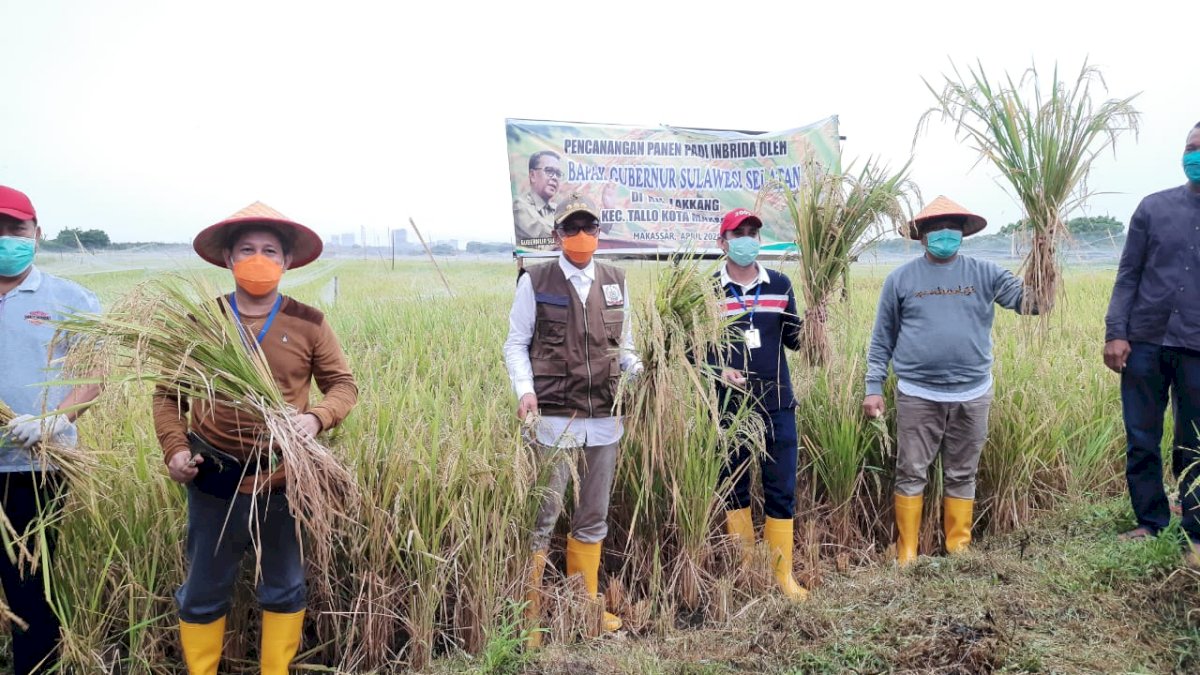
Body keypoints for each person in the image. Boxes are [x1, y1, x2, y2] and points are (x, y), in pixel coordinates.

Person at [153, 201, 358, 675]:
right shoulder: (203, 322)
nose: (258, 259)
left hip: (284, 478)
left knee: (285, 587)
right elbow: (168, 394)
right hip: (213, 476)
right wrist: (176, 449)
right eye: (247, 249)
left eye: (270, 250)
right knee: (204, 589)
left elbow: (343, 386)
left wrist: (317, 419)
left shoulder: (309, 322)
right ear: (228, 258)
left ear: (287, 261)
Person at [863, 196, 1038, 565]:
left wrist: (1045, 265)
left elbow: (1031, 304)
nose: (945, 234)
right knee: (910, 471)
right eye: (936, 228)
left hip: (972, 392)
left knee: (962, 472)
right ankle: (907, 551)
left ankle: (959, 548)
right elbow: (882, 338)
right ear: (922, 235)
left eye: (952, 227)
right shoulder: (901, 279)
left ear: (962, 233)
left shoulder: (986, 273)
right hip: (917, 393)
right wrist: (874, 387)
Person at [503, 193, 641, 644]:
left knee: (593, 515)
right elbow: (516, 343)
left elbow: (625, 348)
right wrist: (525, 391)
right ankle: (529, 615)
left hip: (604, 418)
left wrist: (641, 371)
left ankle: (585, 608)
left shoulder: (616, 280)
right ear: (557, 234)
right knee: (543, 515)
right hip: (553, 418)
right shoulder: (536, 280)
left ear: (599, 233)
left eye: (589, 227)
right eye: (572, 228)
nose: (581, 235)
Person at [0, 184, 101, 674]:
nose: (5, 238)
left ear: (36, 233)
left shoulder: (70, 299)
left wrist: (53, 420)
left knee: (29, 587)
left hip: (36, 467)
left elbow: (96, 374)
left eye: (14, 228)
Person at [1104, 121, 1200, 561]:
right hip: (1145, 341)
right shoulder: (1153, 208)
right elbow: (1128, 274)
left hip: (1196, 345)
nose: (1194, 155)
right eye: (1191, 147)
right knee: (1141, 437)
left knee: (1194, 441)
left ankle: (1194, 530)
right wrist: (1116, 332)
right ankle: (1150, 521)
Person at [712, 208, 808, 601]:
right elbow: (692, 349)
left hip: (778, 402)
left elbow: (795, 341)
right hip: (729, 407)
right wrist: (719, 370)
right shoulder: (708, 291)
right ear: (723, 242)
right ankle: (746, 570)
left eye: (753, 232)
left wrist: (816, 324)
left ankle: (782, 575)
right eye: (739, 234)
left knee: (781, 486)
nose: (747, 239)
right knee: (733, 487)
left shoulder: (779, 285)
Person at [513, 151, 562, 244]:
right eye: (549, 171)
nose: (555, 177)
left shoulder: (557, 209)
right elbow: (548, 233)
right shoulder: (519, 207)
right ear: (532, 175)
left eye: (558, 174)